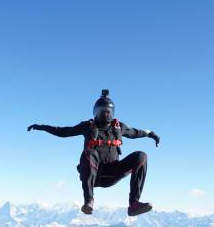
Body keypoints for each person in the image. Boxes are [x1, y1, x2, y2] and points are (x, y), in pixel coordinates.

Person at [28, 89, 160, 216]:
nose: (106, 114)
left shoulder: (119, 128)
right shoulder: (87, 126)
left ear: (112, 113)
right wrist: (41, 127)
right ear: (96, 112)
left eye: (109, 112)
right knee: (89, 152)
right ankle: (89, 201)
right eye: (103, 112)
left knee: (141, 156)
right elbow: (63, 131)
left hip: (113, 174)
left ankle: (134, 204)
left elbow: (135, 132)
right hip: (94, 176)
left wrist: (150, 134)